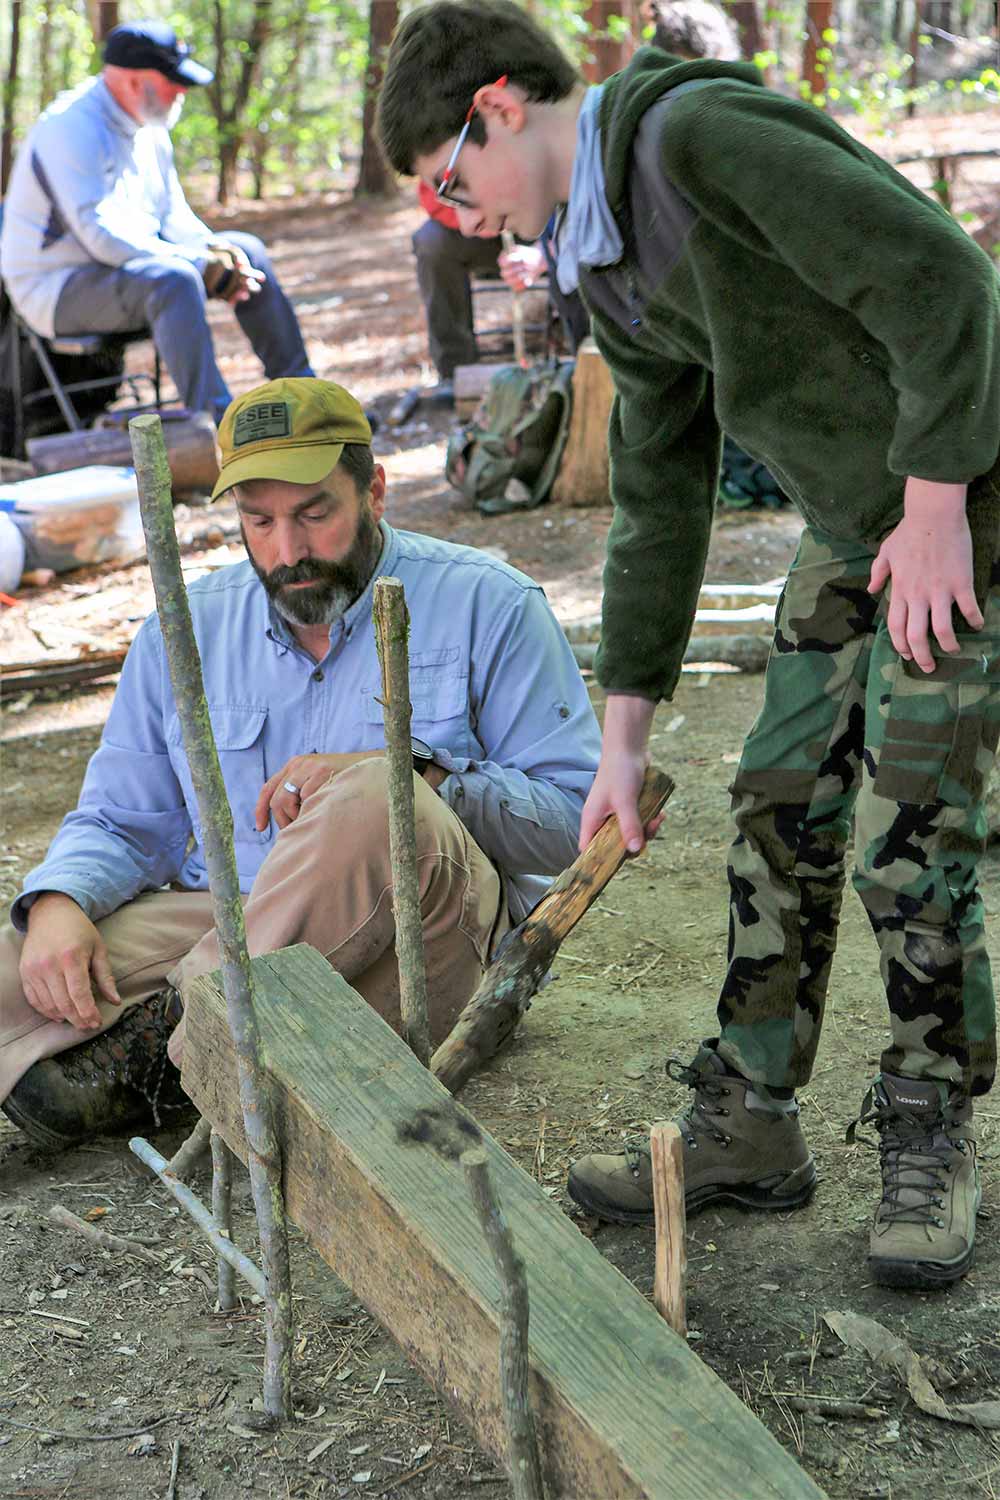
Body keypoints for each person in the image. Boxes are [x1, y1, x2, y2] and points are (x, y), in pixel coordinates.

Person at [377, 0, 1000, 1288]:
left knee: (911, 827)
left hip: (966, 484)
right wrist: (623, 737)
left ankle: (932, 1129)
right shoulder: (601, 263)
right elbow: (661, 492)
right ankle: (753, 1120)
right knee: (778, 800)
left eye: (451, 187)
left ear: (497, 108)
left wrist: (940, 504)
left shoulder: (697, 137)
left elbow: (941, 277)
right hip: (856, 514)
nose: (464, 217)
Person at [0, 376, 601, 1151]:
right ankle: (186, 1044)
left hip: (421, 943)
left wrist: (414, 772)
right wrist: (58, 902)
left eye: (316, 514)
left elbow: (575, 827)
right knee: (21, 960)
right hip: (230, 921)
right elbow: (123, 819)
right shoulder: (187, 628)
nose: (289, 552)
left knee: (378, 797)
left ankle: (176, 1039)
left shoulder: (490, 604)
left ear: (375, 491)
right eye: (260, 521)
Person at [0, 21, 314, 426]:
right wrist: (199, 264)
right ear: (133, 81)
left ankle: (306, 402)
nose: (182, 91)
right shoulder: (69, 128)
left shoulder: (149, 124)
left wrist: (214, 252)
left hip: (125, 270)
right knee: (175, 278)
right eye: (172, 82)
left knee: (246, 248)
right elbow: (100, 236)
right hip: (56, 286)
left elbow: (172, 215)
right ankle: (216, 429)